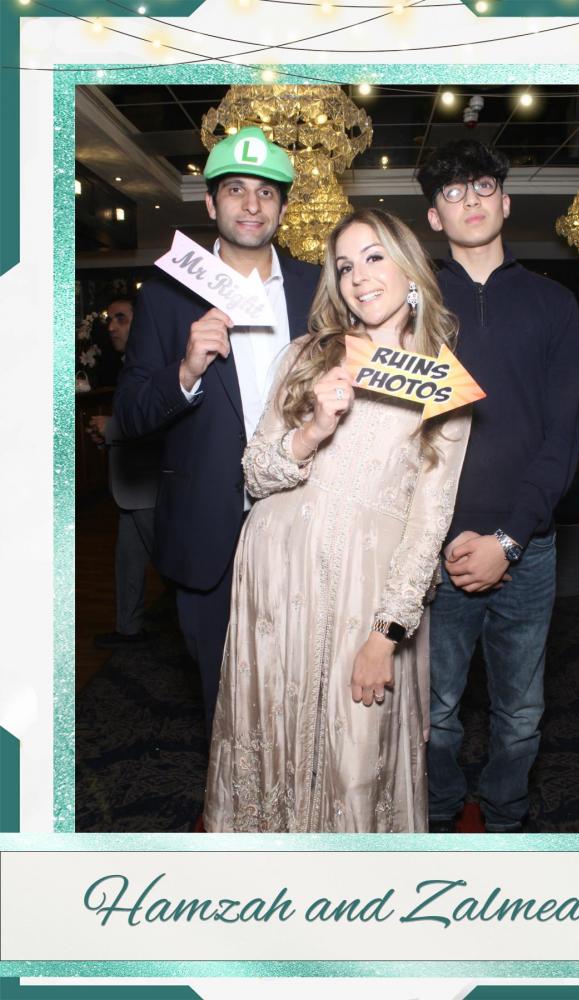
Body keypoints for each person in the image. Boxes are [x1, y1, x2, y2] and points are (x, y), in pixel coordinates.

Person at [203, 209, 471, 833]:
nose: (359, 277)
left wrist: (385, 635)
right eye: (345, 266)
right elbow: (256, 473)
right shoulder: (308, 355)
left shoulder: (444, 384)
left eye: (375, 257)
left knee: (355, 756)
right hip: (276, 580)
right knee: (269, 734)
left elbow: (428, 524)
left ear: (410, 270)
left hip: (364, 593)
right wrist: (312, 430)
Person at [114, 127, 320, 737]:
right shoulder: (166, 296)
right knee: (223, 699)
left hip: (304, 520)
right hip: (208, 528)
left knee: (303, 688)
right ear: (210, 203)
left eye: (266, 192)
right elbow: (131, 413)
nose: (252, 205)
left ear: (283, 207)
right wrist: (184, 371)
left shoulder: (316, 288)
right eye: (235, 190)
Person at [417, 139, 579, 833]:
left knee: (520, 715)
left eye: (483, 186)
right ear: (434, 217)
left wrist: (508, 540)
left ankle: (506, 820)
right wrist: (434, 535)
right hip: (434, 546)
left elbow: (562, 438)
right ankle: (434, 816)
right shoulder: (413, 307)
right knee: (432, 713)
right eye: (453, 192)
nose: (471, 200)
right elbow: (399, 437)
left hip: (528, 548)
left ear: (506, 202)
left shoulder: (553, 304)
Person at [87, 297, 162, 649]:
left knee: (172, 566)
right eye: (109, 319)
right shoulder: (129, 366)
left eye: (121, 319)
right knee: (127, 561)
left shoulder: (153, 367)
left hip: (150, 485)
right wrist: (108, 437)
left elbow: (161, 423)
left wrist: (112, 428)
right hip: (129, 486)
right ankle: (129, 630)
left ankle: (201, 637)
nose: (112, 326)